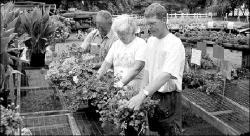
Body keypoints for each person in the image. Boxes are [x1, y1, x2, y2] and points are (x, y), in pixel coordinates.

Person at [127, 3, 185, 136]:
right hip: (152, 93)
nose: (149, 27)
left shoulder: (174, 44)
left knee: (170, 132)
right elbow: (148, 69)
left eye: (152, 23)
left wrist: (143, 94)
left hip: (169, 99)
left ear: (164, 20)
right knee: (153, 131)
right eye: (147, 24)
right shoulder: (151, 41)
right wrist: (142, 92)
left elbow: (166, 74)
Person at [96, 14, 147, 93]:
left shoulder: (141, 44)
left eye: (123, 34)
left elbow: (136, 69)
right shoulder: (116, 44)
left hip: (135, 88)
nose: (120, 36)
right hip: (118, 87)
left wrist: (120, 84)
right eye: (119, 33)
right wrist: (96, 79)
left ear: (132, 31)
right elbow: (106, 64)